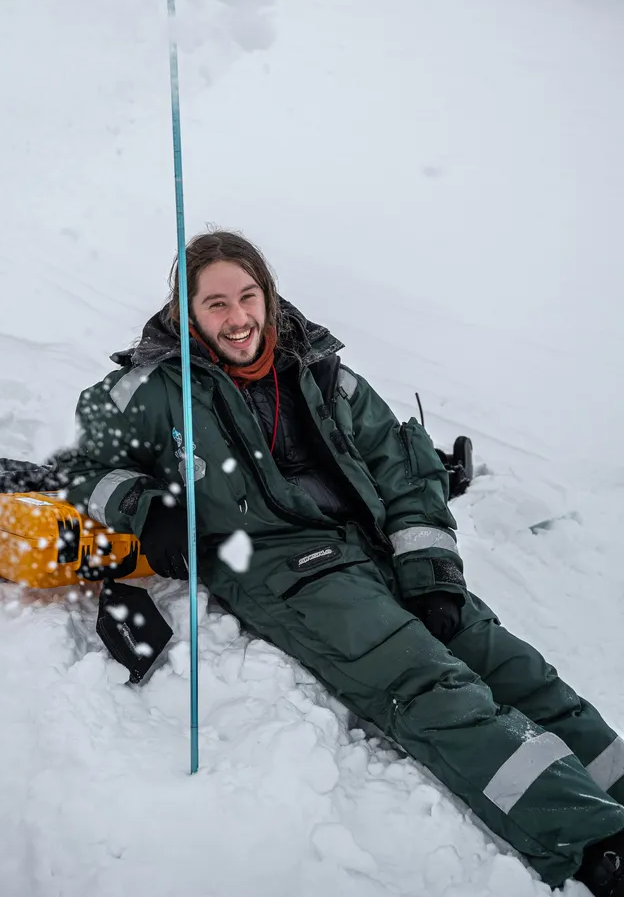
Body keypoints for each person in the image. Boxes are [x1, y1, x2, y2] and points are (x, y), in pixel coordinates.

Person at [63, 229, 624, 896]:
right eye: (216, 304)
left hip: (378, 550)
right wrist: (146, 509)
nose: (238, 318)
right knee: (430, 684)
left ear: (269, 296)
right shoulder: (151, 390)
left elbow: (405, 468)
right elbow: (80, 467)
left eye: (248, 297)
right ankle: (597, 843)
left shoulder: (320, 368)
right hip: (286, 567)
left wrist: (430, 570)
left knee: (514, 667)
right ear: (186, 313)